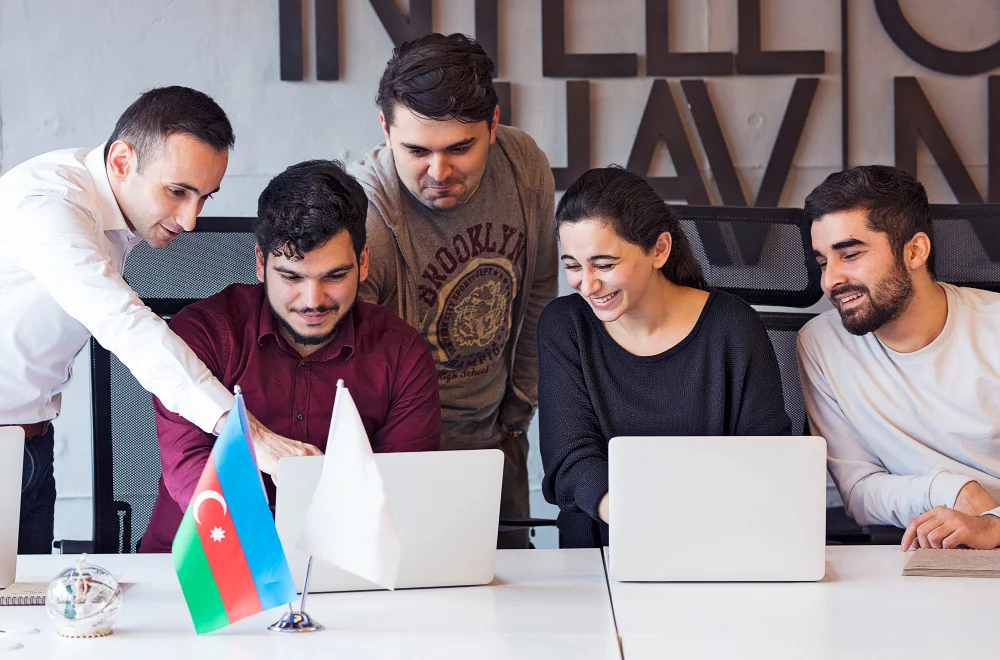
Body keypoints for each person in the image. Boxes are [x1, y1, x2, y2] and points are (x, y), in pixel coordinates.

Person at [0, 86, 314, 555]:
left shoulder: (115, 202)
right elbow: (125, 324)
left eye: (203, 198)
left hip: (30, 444)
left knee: (23, 597)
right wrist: (253, 436)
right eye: (177, 192)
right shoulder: (49, 205)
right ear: (122, 161)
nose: (190, 220)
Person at [140, 160, 441, 552]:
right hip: (205, 558)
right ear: (261, 262)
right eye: (291, 277)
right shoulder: (202, 334)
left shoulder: (402, 354)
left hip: (341, 561)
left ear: (363, 262)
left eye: (334, 276)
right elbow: (190, 471)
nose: (312, 301)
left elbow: (397, 494)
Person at [349, 33, 558, 548]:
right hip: (397, 455)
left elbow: (539, 289)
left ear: (493, 124)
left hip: (499, 435)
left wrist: (519, 408)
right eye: (416, 150)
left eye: (460, 148)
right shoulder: (364, 217)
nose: (438, 172)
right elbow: (351, 371)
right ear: (385, 129)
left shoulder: (524, 165)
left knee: (512, 583)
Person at [539, 167, 792, 548]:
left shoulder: (732, 325)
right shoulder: (565, 325)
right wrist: (636, 517)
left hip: (718, 542)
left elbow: (767, 456)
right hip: (603, 545)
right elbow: (570, 458)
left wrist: (687, 528)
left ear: (659, 250)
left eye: (605, 265)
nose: (587, 285)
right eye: (573, 266)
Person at [797, 165, 1000, 551]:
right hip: (924, 552)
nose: (829, 281)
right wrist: (949, 490)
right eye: (823, 262)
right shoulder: (822, 343)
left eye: (850, 254)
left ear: (915, 251)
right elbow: (858, 491)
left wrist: (993, 523)